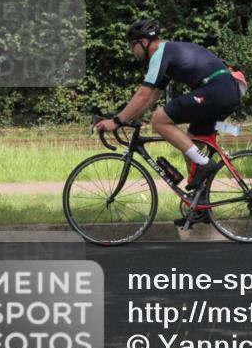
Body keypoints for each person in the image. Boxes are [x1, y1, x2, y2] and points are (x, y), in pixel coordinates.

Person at [92, 19, 243, 224]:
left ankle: (206, 163)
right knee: (192, 143)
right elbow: (152, 95)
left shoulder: (161, 52)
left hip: (216, 89)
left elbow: (144, 94)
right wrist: (127, 117)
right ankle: (200, 206)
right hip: (223, 90)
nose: (131, 51)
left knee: (159, 120)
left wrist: (117, 121)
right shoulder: (169, 55)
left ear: (144, 42)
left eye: (131, 45)